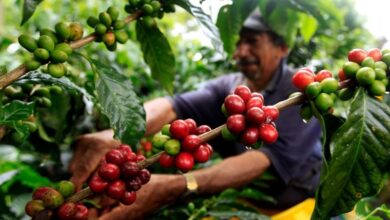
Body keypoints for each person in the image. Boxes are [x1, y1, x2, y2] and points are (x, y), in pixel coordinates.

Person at [69, 8, 322, 219]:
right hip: (245, 201)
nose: (241, 52)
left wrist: (177, 186)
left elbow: (262, 160)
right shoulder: (230, 87)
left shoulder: (298, 91)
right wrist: (118, 132)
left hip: (300, 204)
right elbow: (171, 105)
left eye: (253, 41)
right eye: (239, 42)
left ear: (282, 48)